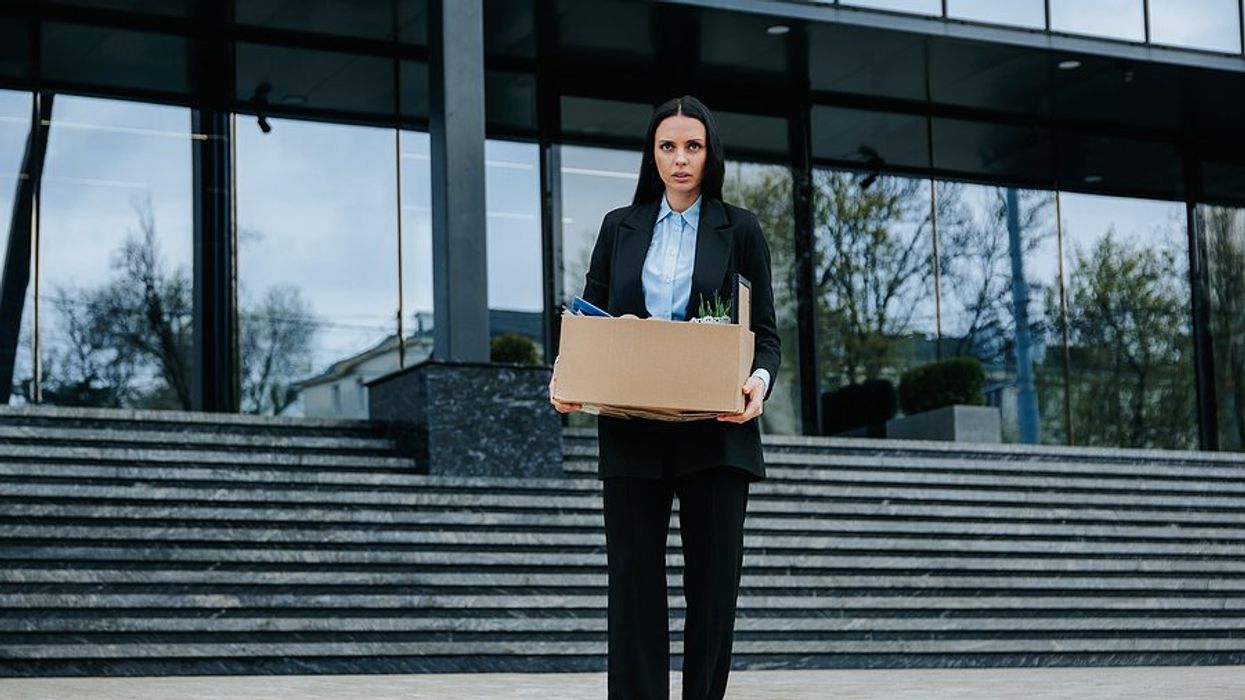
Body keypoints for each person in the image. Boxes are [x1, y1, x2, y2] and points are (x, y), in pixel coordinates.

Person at [548, 95, 781, 700]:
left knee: (711, 589)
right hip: (633, 429)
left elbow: (769, 338)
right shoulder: (617, 228)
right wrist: (567, 375)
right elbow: (587, 317)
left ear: (711, 153)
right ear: (652, 155)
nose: (681, 159)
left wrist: (755, 387)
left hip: (716, 428)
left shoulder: (742, 229)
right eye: (668, 146)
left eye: (693, 146)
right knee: (633, 585)